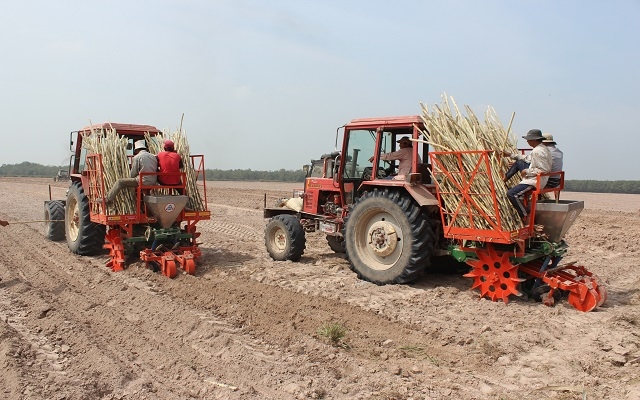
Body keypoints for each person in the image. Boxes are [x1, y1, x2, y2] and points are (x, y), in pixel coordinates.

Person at [502, 129, 552, 220]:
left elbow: (544, 170)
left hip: (535, 180)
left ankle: (525, 215)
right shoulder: (540, 149)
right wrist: (511, 155)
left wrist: (527, 171)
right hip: (535, 177)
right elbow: (527, 158)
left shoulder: (538, 151)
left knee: (512, 194)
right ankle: (504, 179)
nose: (527, 141)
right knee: (519, 162)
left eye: (528, 139)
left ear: (534, 140)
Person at [101, 139, 158, 205]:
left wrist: (129, 179)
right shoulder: (153, 156)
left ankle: (108, 199)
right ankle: (146, 206)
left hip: (143, 181)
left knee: (120, 182)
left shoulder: (137, 157)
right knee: (145, 190)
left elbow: (133, 173)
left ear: (137, 150)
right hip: (153, 181)